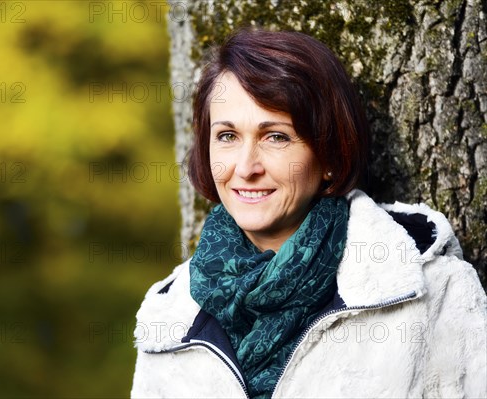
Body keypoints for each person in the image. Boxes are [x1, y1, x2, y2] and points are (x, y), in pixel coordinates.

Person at [130, 28, 487, 399]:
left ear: (329, 155)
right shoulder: (166, 320)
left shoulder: (430, 290)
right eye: (227, 136)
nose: (246, 166)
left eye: (276, 137)